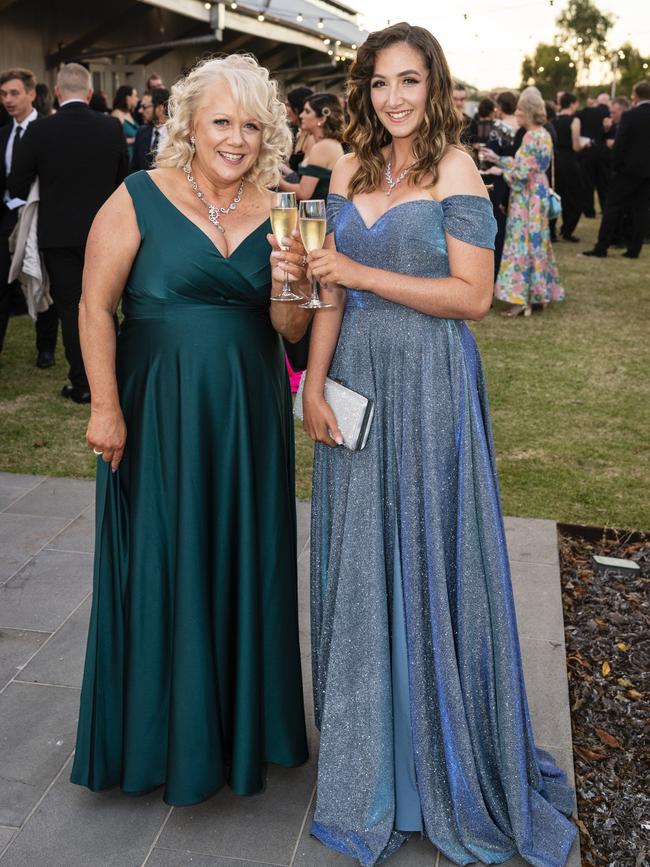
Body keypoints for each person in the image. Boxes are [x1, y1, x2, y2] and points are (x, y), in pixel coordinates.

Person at [302, 21, 577, 866]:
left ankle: (444, 765)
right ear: (364, 89)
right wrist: (311, 383)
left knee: (428, 551)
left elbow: (473, 296)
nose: (394, 98)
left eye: (410, 81)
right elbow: (324, 289)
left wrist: (357, 272)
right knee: (361, 558)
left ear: (435, 84)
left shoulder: (456, 168)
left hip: (429, 385)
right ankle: (369, 763)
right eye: (380, 82)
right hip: (352, 376)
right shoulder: (343, 167)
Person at [69, 53, 311, 806]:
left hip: (246, 415)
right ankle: (157, 734)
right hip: (158, 413)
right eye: (221, 122)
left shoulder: (282, 207)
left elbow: (290, 330)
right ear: (189, 125)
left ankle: (242, 729)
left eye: (250, 124)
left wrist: (293, 274)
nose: (236, 139)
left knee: (243, 557)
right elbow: (92, 306)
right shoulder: (138, 195)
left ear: (266, 133)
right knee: (162, 558)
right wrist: (105, 405)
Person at [8, 63, 128, 402]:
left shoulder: (41, 131)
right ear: (90, 93)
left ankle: (83, 383)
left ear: (57, 92)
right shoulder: (111, 128)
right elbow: (124, 180)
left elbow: (16, 184)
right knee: (104, 306)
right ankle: (114, 377)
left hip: (57, 235)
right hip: (105, 231)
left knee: (72, 308)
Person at [483, 87, 564, 315]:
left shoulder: (530, 136)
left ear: (527, 111)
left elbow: (521, 173)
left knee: (520, 242)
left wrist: (499, 164)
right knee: (536, 243)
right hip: (539, 192)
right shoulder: (545, 134)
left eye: (519, 109)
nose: (516, 114)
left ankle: (520, 300)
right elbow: (531, 168)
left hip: (526, 196)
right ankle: (537, 294)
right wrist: (502, 164)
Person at [0, 67, 57, 367]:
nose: (8, 100)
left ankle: (45, 347)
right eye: (3, 94)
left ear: (31, 95)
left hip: (40, 216)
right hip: (7, 217)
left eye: (14, 93)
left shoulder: (48, 129)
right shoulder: (3, 132)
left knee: (41, 281)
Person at [582, 80, 650, 259]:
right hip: (647, 172)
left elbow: (620, 145)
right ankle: (634, 250)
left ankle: (601, 247)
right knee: (642, 210)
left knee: (611, 207)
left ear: (635, 96)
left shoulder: (630, 116)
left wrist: (616, 166)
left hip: (627, 171)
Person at [279, 92, 344, 200]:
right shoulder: (324, 144)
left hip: (319, 214)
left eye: (307, 111)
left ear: (322, 119)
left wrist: (277, 181)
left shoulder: (323, 146)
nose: (301, 115)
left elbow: (303, 193)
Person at [485, 91, 518, 275]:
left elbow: (491, 151)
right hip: (517, 178)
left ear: (499, 107)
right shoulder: (521, 127)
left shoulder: (499, 127)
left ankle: (496, 268)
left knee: (498, 223)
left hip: (501, 178)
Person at [553, 91, 588, 242]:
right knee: (576, 196)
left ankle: (552, 231)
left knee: (557, 195)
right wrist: (585, 144)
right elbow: (575, 146)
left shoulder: (554, 120)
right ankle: (567, 229)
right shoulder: (574, 120)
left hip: (556, 161)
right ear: (573, 104)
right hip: (569, 162)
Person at [577, 92, 610, 217]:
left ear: (597, 101)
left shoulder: (587, 111)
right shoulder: (609, 113)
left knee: (588, 183)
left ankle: (589, 210)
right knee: (603, 184)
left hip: (587, 151)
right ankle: (605, 208)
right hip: (603, 152)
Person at [131, 88, 169, 172]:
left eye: (144, 107)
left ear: (160, 108)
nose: (140, 111)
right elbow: (134, 168)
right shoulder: (141, 132)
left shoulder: (177, 135)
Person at [112, 84, 139, 161]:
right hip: (126, 158)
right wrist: (136, 139)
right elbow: (115, 140)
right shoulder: (117, 114)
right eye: (135, 96)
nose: (137, 99)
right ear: (128, 98)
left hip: (134, 157)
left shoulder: (130, 113)